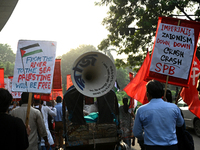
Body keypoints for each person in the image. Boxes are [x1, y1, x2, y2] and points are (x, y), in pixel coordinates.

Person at [133, 80, 184, 150]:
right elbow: (180, 123)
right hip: (172, 147)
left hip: (151, 147)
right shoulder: (174, 108)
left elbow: (137, 133)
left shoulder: (141, 110)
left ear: (147, 94)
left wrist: (147, 137)